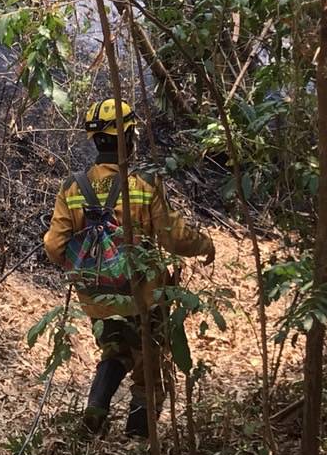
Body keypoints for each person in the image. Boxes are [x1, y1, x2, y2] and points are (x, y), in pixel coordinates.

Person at [43, 99, 215, 437]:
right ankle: (138, 440)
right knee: (151, 367)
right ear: (128, 137)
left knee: (115, 351)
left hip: (97, 298)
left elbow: (53, 246)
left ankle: (95, 412)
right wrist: (205, 245)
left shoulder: (72, 187)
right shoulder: (143, 184)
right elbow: (173, 237)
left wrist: (89, 267)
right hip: (143, 297)